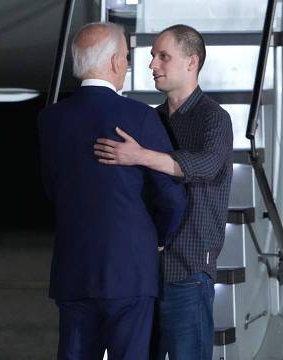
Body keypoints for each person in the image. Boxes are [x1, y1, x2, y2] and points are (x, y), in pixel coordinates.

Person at [38, 22, 186, 360]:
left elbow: (53, 189)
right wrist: (159, 237)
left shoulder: (50, 120)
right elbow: (171, 197)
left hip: (73, 267)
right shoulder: (141, 117)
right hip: (130, 269)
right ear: (117, 62)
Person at [94, 24, 233, 360]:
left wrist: (139, 155)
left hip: (188, 271)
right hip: (143, 270)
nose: (152, 64)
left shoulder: (215, 119)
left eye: (163, 56)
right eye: (153, 55)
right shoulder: (151, 119)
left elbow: (204, 166)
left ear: (191, 62)